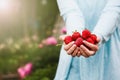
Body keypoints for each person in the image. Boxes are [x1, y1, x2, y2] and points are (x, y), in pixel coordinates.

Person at [54, 0, 120, 80]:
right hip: (75, 54)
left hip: (109, 50)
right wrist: (76, 35)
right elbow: (71, 11)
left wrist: (98, 36)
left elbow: (113, 11)